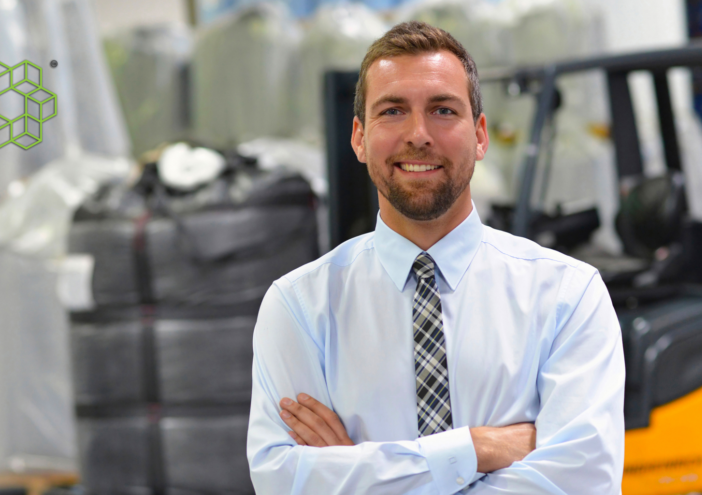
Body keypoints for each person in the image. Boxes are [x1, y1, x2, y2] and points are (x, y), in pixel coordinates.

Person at [246, 21, 624, 494]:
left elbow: (582, 482)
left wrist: (356, 471)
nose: (418, 134)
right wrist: (475, 450)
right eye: (393, 111)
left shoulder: (570, 296)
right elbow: (284, 484)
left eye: (443, 110)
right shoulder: (299, 308)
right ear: (359, 138)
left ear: (481, 135)